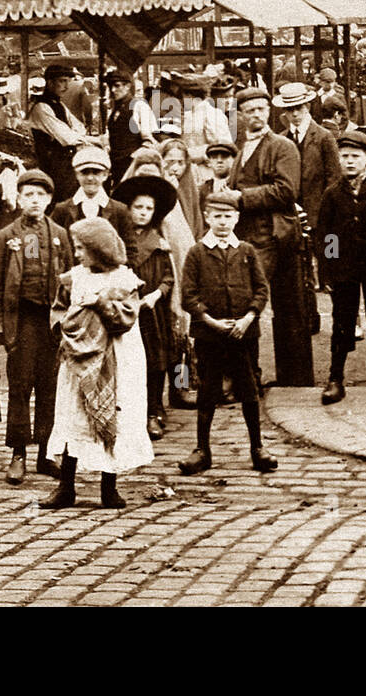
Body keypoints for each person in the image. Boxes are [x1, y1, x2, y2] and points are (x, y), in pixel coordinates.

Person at [38, 217, 152, 509]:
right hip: (79, 358)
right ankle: (66, 486)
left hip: (118, 357)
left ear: (99, 249)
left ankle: (109, 486)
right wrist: (70, 328)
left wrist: (99, 303)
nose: (76, 254)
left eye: (81, 248)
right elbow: (58, 312)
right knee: (74, 415)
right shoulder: (74, 277)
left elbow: (125, 319)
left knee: (111, 413)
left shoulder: (125, 280)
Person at [178, 189, 278, 474]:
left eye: (228, 215)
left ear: (237, 217)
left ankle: (257, 447)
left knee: (248, 389)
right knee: (207, 390)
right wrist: (210, 321)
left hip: (243, 335)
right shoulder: (197, 252)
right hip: (210, 335)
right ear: (207, 217)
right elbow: (188, 295)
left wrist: (248, 318)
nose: (223, 221)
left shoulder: (247, 251)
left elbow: (261, 289)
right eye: (217, 216)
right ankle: (202, 449)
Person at [0, 169, 74, 486]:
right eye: (28, 195)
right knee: (20, 388)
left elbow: (69, 281)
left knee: (50, 389)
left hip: (51, 323)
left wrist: (69, 320)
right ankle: (18, 454)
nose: (34, 201)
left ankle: (45, 455)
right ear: (19, 199)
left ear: (49, 199)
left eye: (40, 195)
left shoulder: (60, 235)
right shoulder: (5, 237)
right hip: (21, 322)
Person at [230, 86, 308, 386]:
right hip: (249, 237)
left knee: (273, 306)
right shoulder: (242, 148)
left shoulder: (282, 146)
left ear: (269, 112)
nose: (257, 115)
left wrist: (241, 198)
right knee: (246, 304)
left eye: (262, 109)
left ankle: (293, 380)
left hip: (274, 236)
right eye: (250, 111)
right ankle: (249, 377)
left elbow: (287, 191)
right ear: (241, 115)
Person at [316, 130, 366, 404]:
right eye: (344, 156)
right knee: (342, 322)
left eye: (355, 156)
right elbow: (328, 236)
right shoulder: (333, 194)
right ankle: (336, 379)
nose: (349, 162)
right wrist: (329, 269)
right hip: (344, 270)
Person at [112, 173, 179, 441]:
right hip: (125, 310)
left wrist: (156, 295)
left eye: (148, 208)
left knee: (155, 359)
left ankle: (154, 411)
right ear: (128, 209)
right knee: (127, 362)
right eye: (138, 207)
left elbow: (168, 277)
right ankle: (129, 411)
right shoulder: (118, 240)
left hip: (152, 311)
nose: (143, 213)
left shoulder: (160, 243)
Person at [274, 82, 342, 290]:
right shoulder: (283, 139)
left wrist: (329, 206)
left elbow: (334, 175)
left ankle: (330, 277)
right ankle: (305, 282)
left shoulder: (323, 137)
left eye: (298, 108)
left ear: (308, 107)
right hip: (293, 207)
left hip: (320, 204)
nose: (294, 114)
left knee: (330, 243)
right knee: (298, 250)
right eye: (289, 109)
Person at [50, 145, 135, 253]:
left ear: (105, 175)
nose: (90, 178)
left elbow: (131, 251)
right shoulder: (62, 210)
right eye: (85, 172)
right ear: (77, 174)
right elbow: (53, 247)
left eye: (96, 172)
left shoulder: (120, 211)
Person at [28, 63, 90, 203]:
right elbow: (67, 138)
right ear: (50, 82)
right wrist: (83, 138)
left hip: (65, 163)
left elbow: (79, 126)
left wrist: (76, 135)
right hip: (51, 164)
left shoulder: (58, 104)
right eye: (62, 81)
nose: (66, 86)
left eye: (68, 82)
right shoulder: (41, 107)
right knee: (60, 201)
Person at [104, 69, 157, 182]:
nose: (113, 90)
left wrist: (135, 158)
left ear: (128, 86)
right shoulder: (116, 108)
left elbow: (148, 140)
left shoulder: (139, 106)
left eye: (117, 86)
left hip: (132, 164)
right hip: (116, 163)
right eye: (110, 87)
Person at [160, 137, 204, 240]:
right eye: (170, 162)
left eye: (180, 163)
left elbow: (196, 222)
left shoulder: (190, 190)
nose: (175, 168)